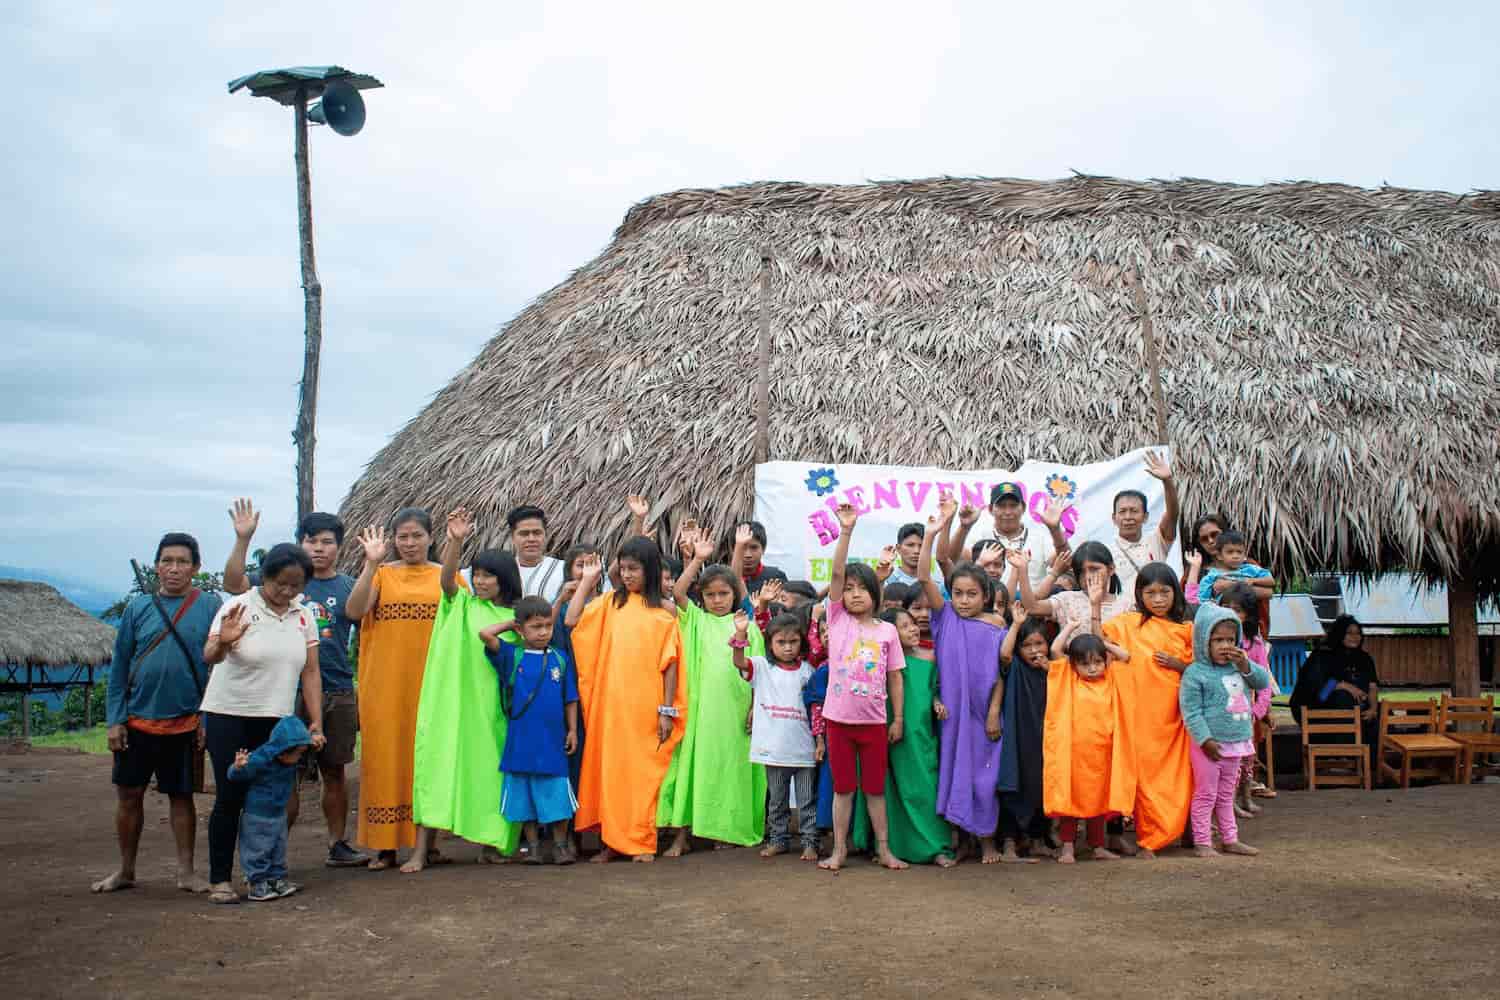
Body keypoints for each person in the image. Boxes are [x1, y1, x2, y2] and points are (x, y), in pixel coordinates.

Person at [223, 500, 365, 868]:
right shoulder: (281, 580)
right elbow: (233, 584)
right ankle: (275, 849)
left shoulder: (349, 586)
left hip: (336, 688)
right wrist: (242, 540)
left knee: (335, 771)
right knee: (284, 772)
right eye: (311, 540)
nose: (319, 548)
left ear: (339, 547)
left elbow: (365, 618)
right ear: (300, 543)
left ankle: (337, 844)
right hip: (284, 691)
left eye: (327, 541)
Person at [93, 532, 223, 895]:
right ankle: (125, 870)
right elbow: (120, 666)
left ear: (196, 568)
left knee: (182, 797)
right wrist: (115, 719)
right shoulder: (137, 609)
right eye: (167, 561)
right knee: (128, 795)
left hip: (187, 720)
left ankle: (186, 873)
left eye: (182, 562)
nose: (174, 568)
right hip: (136, 720)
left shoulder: (210, 606)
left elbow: (220, 667)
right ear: (156, 566)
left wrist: (207, 719)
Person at [201, 543, 325, 904]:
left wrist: (315, 722)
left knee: (271, 798)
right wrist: (224, 643)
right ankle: (220, 879)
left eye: (295, 585)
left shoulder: (304, 615)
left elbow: (311, 671)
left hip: (276, 721)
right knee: (230, 795)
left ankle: (264, 873)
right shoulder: (239, 605)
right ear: (265, 576)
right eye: (280, 583)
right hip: (230, 714)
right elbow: (210, 654)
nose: (287, 591)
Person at [407, 507, 524, 872]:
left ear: (505, 579)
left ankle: (492, 844)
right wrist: (455, 541)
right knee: (435, 767)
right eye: (478, 575)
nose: (481, 582)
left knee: (490, 773)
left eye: (489, 576)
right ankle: (420, 852)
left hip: (490, 709)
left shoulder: (516, 617)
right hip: (449, 702)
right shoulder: (460, 603)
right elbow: (446, 581)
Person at [565, 539, 685, 862]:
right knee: (612, 772)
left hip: (647, 705)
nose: (628, 575)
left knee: (643, 774)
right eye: (624, 568)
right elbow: (571, 620)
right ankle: (611, 843)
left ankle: (640, 841)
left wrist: (666, 711)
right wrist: (587, 582)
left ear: (650, 570)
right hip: (611, 706)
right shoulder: (610, 602)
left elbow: (671, 663)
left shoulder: (666, 609)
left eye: (635, 569)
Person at [344, 508, 443, 870]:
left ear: (431, 538)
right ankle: (384, 846)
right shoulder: (382, 574)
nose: (410, 543)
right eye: (403, 536)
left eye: (417, 536)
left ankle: (425, 846)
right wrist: (371, 564)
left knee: (425, 762)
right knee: (384, 760)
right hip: (384, 685)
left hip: (430, 685)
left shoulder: (446, 578)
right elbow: (354, 611)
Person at [657, 530, 765, 856]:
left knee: (730, 768)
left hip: (735, 710)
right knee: (692, 768)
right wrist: (698, 559)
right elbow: (677, 592)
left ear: (735, 595)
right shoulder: (697, 620)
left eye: (723, 594)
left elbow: (760, 675)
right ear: (702, 597)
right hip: (700, 709)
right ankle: (682, 836)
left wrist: (754, 708)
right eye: (710, 594)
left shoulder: (749, 628)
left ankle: (727, 829)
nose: (717, 600)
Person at [818, 503, 907, 872]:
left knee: (874, 789)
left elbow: (895, 676)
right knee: (843, 789)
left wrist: (897, 719)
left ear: (875, 594)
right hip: (839, 721)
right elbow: (837, 571)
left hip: (874, 723)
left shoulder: (887, 631)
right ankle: (839, 850)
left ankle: (884, 850)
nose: (854, 594)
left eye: (862, 589)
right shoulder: (837, 619)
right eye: (849, 589)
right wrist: (846, 531)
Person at [918, 499, 1007, 863]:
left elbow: (1000, 675)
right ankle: (963, 840)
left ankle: (987, 842)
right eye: (958, 593)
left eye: (972, 594)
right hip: (953, 716)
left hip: (984, 717)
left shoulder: (996, 627)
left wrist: (994, 712)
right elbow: (925, 576)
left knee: (985, 778)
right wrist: (931, 533)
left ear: (986, 596)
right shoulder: (946, 618)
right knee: (955, 774)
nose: (964, 600)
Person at [1100, 563, 1196, 858]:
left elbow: (1201, 669)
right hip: (1139, 717)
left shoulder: (1186, 629)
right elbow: (1100, 643)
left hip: (1174, 717)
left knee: (1176, 777)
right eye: (1150, 593)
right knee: (1145, 778)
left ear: (1175, 592)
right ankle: (1148, 838)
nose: (1158, 599)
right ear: (1139, 595)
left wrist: (1179, 665)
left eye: (1164, 592)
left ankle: (1176, 832)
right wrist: (1093, 606)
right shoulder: (1128, 624)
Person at [851, 607, 955, 866]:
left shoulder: (930, 657)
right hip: (885, 727)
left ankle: (936, 847)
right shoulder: (880, 660)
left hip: (919, 732)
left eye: (913, 624)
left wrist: (936, 701)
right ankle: (887, 846)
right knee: (887, 786)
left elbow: (935, 688)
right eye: (905, 626)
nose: (913, 629)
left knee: (925, 785)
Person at [482, 597, 580, 865]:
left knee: (557, 797)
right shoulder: (512, 655)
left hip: (552, 743)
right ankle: (534, 848)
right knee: (524, 800)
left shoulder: (560, 658)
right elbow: (486, 634)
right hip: (521, 742)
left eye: (548, 625)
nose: (543, 632)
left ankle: (560, 847)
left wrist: (572, 730)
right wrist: (511, 624)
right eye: (536, 627)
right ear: (520, 629)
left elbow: (570, 698)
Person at [1179, 604, 1271, 858]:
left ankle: (1230, 839)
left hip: (1236, 743)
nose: (1225, 645)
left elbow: (1262, 682)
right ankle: (1202, 842)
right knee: (1206, 794)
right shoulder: (1195, 673)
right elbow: (1191, 712)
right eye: (1218, 640)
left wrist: (1245, 664)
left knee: (1226, 794)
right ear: (1203, 640)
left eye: (1230, 640)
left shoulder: (1237, 667)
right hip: (1208, 746)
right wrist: (1205, 740)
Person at [1042, 633, 1136, 864]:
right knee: (1070, 800)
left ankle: (1098, 846)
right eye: (1084, 664)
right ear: (1073, 665)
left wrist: (1102, 643)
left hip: (1102, 755)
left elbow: (1126, 656)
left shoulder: (1111, 678)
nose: (1092, 668)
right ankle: (1067, 847)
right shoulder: (1069, 679)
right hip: (1073, 755)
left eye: (1097, 662)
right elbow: (1055, 650)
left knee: (1098, 802)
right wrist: (1070, 628)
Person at [732, 611, 818, 860]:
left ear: (801, 642)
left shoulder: (809, 671)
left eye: (793, 642)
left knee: (806, 800)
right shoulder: (762, 667)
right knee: (777, 800)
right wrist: (740, 634)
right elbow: (739, 662)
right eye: (781, 642)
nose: (788, 648)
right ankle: (778, 840)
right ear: (770, 643)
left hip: (804, 750)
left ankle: (810, 843)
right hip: (773, 750)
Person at [227, 716, 315, 901]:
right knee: (257, 849)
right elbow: (234, 776)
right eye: (298, 753)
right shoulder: (261, 758)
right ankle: (257, 883)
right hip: (257, 815)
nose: (300, 757)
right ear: (283, 751)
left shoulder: (289, 759)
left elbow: (308, 745)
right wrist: (238, 767)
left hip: (278, 813)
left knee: (278, 848)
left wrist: (313, 738)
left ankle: (276, 878)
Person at [992, 614, 1054, 863]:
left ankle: (1038, 840)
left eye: (1039, 643)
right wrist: (1016, 624)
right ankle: (1009, 844)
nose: (1034, 650)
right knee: (1013, 783)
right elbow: (1004, 655)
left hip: (1044, 737)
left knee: (1042, 784)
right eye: (1026, 645)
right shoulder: (1015, 666)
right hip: (1017, 735)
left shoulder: (1053, 669)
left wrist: (1051, 670)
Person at [1219, 583, 1275, 815]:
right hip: (1221, 710)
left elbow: (1264, 681)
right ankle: (1229, 802)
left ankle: (1245, 797)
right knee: (1228, 758)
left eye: (1237, 610)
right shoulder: (1216, 641)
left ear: (1248, 614)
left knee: (1247, 757)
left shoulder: (1254, 644)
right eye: (1226, 607)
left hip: (1246, 710)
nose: (1231, 614)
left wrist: (1258, 711)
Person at [947, 482, 1068, 591]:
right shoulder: (980, 536)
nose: (1008, 512)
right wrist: (964, 527)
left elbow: (1065, 563)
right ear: (990, 509)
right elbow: (950, 560)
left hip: (1031, 605)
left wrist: (1055, 529)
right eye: (1001, 506)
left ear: (1023, 508)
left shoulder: (1040, 537)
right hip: (988, 605)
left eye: (1013, 505)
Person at [1289, 615, 1380, 751]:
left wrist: (1373, 709)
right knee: (1343, 698)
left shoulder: (1364, 658)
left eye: (1358, 633)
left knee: (1382, 713)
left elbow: (1373, 686)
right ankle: (1343, 754)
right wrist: (1343, 685)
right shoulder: (1322, 655)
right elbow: (1318, 693)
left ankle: (1373, 758)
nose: (1355, 637)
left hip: (1357, 709)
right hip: (1318, 709)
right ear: (1339, 634)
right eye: (1349, 633)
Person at [1106, 451, 1180, 598]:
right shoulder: (1106, 552)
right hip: (1122, 612)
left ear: (1145, 517)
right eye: (1122, 511)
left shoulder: (1157, 541)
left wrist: (1167, 481)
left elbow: (1172, 515)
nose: (1128, 517)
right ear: (1114, 518)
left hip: (1156, 609)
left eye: (1134, 511)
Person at [1015, 542, 1133, 632]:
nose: (1088, 576)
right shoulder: (1067, 600)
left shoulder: (1126, 605)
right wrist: (1023, 569)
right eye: (1081, 572)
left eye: (1094, 569)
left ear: (1111, 569)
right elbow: (1032, 608)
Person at [507, 505, 566, 603]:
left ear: (545, 535)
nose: (531, 539)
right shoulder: (503, 571)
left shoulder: (563, 569)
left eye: (537, 533)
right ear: (513, 537)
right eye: (524, 534)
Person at [1197, 530, 1274, 604]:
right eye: (1230, 552)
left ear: (1244, 554)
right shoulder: (1212, 575)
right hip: (1223, 610)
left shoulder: (1250, 569)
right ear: (1219, 556)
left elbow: (1271, 582)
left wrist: (1253, 580)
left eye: (1239, 552)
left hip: (1248, 610)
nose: (1235, 556)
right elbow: (1202, 600)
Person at [734, 520, 788, 596]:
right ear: (733, 550)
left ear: (763, 549)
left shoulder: (775, 578)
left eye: (754, 547)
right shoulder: (723, 578)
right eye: (742, 548)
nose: (748, 555)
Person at [885, 522, 927, 588]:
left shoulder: (936, 584)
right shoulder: (886, 582)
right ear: (898, 548)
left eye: (921, 546)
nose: (917, 551)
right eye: (910, 545)